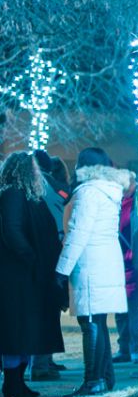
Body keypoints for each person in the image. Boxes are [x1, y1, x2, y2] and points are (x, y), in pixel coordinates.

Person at [55, 150, 134, 394]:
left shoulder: (88, 192)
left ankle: (93, 381)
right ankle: (105, 378)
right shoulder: (108, 190)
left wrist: (61, 270)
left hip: (90, 265)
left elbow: (78, 234)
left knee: (90, 323)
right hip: (105, 262)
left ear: (83, 166)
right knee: (96, 321)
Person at [0, 151, 63, 397]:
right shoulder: (14, 195)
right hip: (18, 277)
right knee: (17, 332)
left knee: (24, 332)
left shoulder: (23, 196)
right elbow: (13, 231)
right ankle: (13, 383)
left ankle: (17, 383)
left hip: (26, 275)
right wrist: (31, 258)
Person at [28, 150, 70, 382]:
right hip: (52, 252)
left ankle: (41, 360)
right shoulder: (55, 186)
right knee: (48, 308)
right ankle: (42, 362)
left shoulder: (23, 187)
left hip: (32, 255)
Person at [113, 169, 138, 362]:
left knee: (129, 306)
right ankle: (130, 347)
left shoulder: (126, 205)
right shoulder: (127, 204)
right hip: (125, 260)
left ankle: (130, 347)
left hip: (125, 260)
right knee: (128, 306)